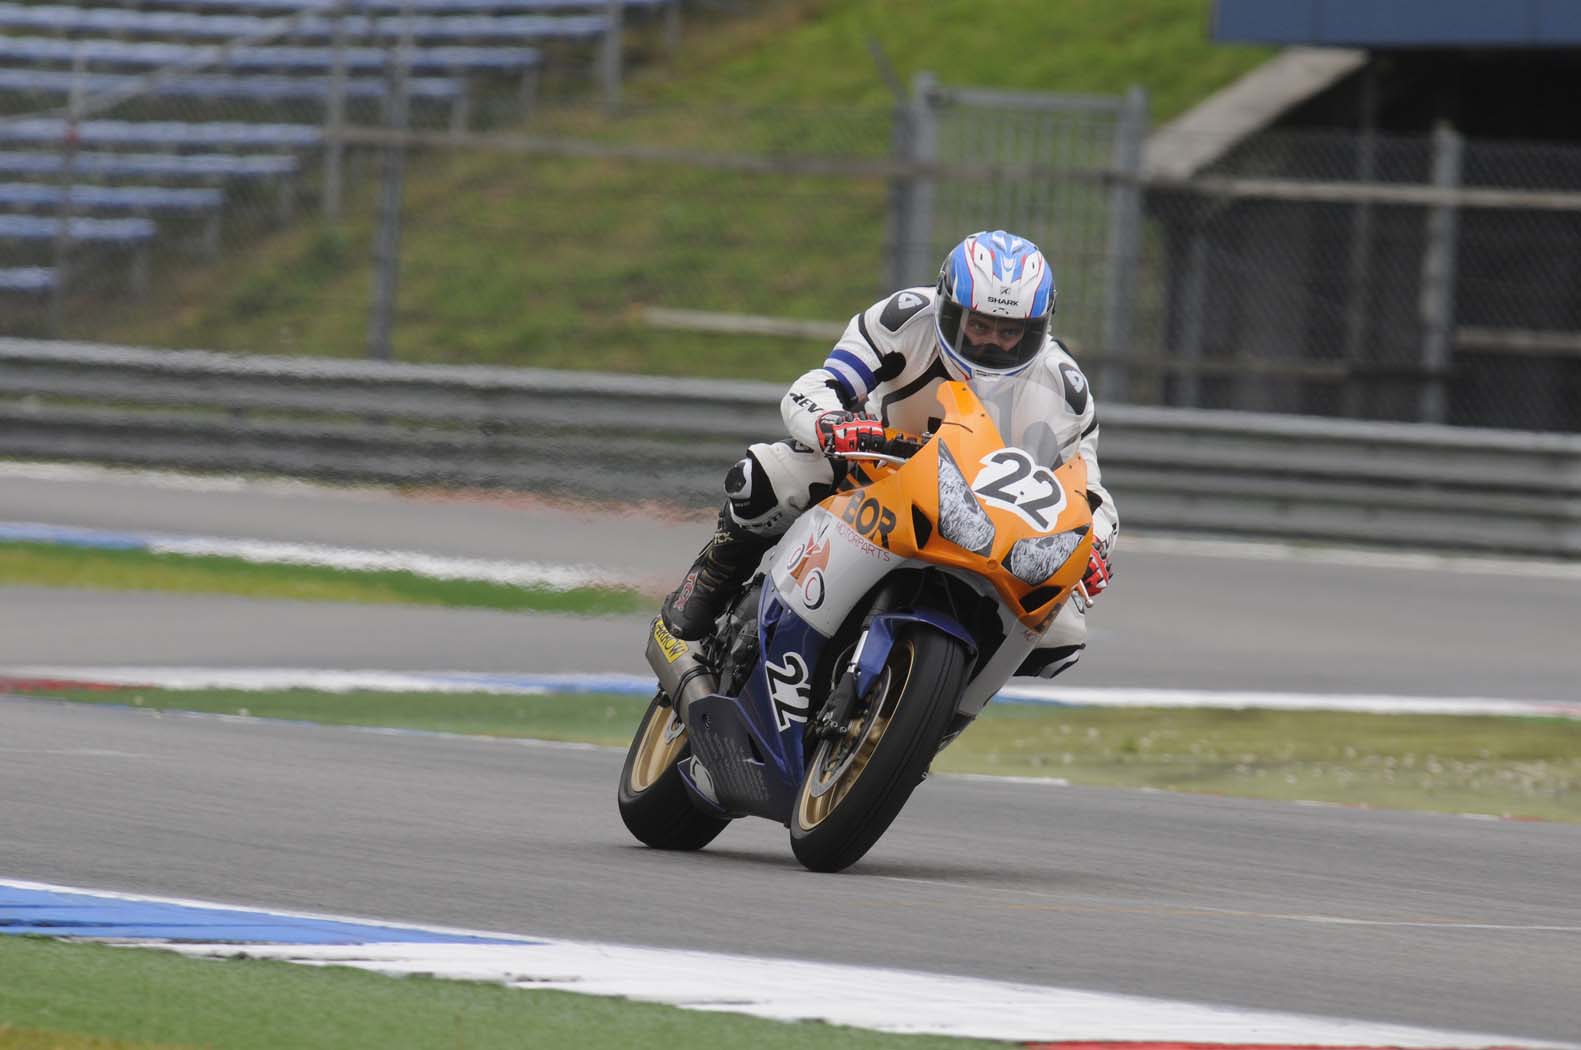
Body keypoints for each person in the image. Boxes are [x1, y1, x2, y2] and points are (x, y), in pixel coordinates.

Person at [660, 229, 1117, 680]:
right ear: (948, 308)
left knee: (1064, 632)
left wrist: (1093, 543)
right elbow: (819, 385)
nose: (989, 342)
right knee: (766, 479)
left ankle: (942, 707)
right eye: (977, 325)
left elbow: (1088, 491)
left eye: (1008, 332)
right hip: (876, 468)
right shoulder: (904, 320)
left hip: (983, 518)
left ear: (1038, 329)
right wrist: (832, 422)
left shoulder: (1065, 388)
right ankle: (717, 571)